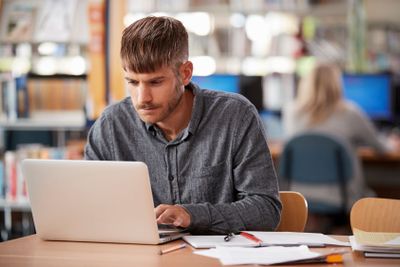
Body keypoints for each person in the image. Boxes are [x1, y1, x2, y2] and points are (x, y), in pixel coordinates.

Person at [84, 16, 281, 234]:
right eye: (132, 82)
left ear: (185, 73)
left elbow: (266, 209)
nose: (142, 98)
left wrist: (192, 215)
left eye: (155, 82)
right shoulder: (111, 126)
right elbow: (89, 208)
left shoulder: (235, 116)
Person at [283, 63, 389, 211]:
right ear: (337, 85)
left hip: (300, 195)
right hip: (342, 196)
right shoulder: (350, 113)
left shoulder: (291, 112)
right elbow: (382, 148)